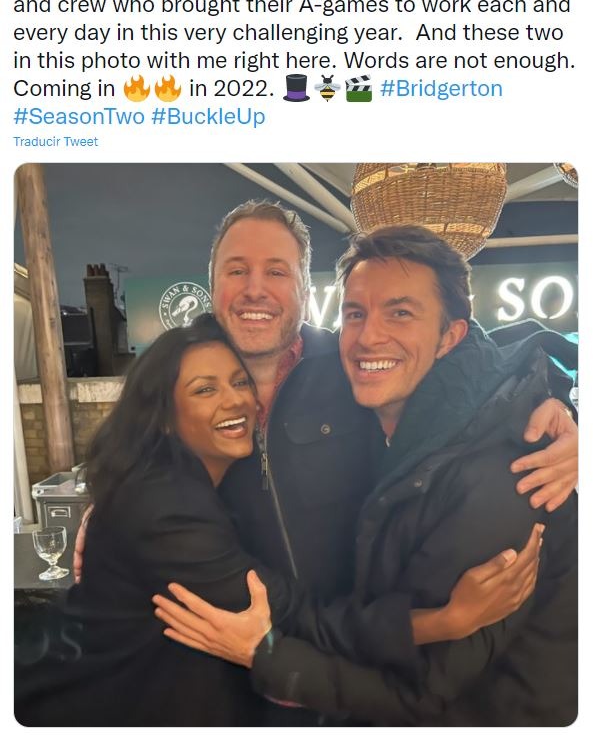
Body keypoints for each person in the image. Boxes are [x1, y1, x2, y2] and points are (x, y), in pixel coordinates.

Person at [74, 201, 578, 723]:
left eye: (277, 271)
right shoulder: (184, 375)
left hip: (356, 672)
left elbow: (480, 363)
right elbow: (144, 444)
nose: (254, 289)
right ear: (213, 284)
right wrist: (114, 506)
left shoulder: (351, 366)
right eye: (236, 270)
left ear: (304, 289)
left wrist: (551, 406)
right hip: (243, 679)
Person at [15, 314, 543, 727]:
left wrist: (546, 405)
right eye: (204, 389)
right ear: (164, 418)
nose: (236, 400)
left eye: (239, 382)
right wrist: (442, 621)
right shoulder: (164, 507)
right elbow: (291, 614)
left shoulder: (191, 479)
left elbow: (486, 363)